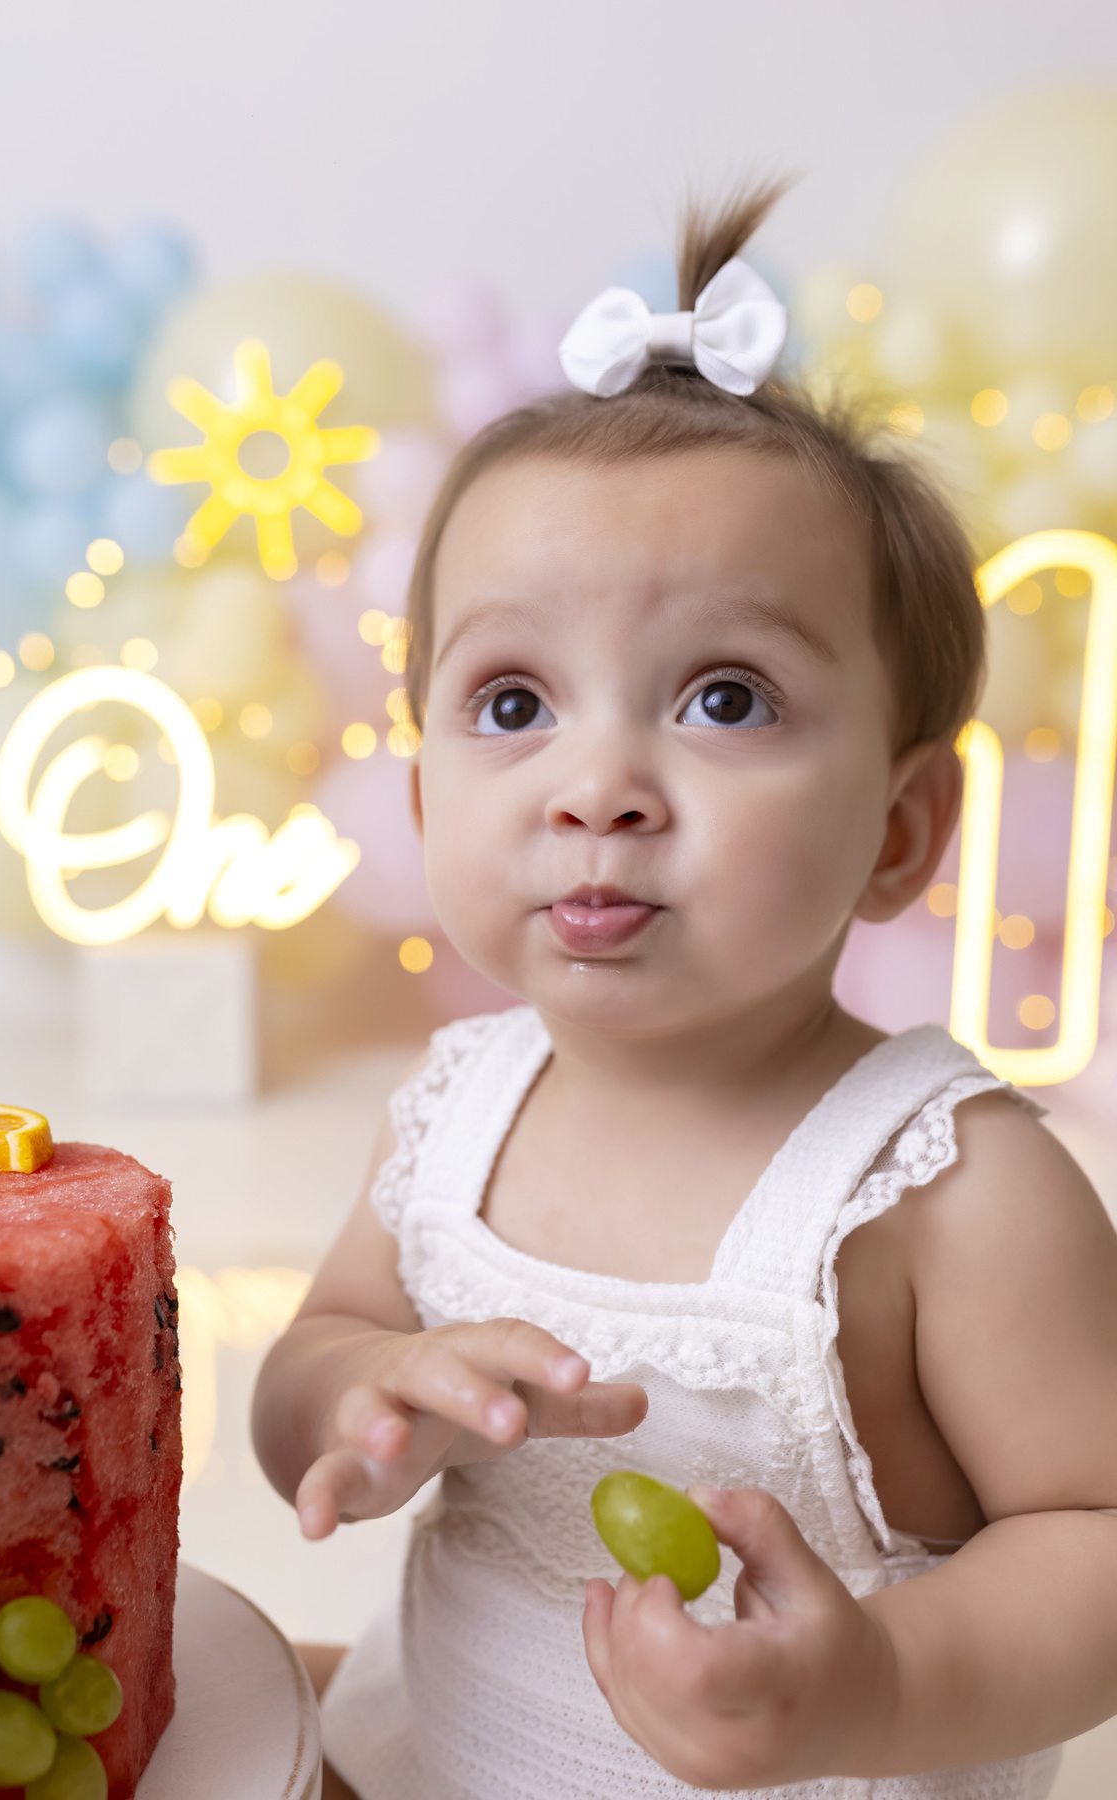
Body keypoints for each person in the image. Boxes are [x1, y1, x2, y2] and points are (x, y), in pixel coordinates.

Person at [252, 185, 1117, 1799]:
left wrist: (879, 1684)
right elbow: (319, 1354)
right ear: (426, 804)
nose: (598, 787)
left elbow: (1096, 1535)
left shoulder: (955, 1190)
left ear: (902, 830)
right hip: (425, 1753)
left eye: (725, 698)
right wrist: (351, 1401)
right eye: (515, 701)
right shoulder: (453, 1111)